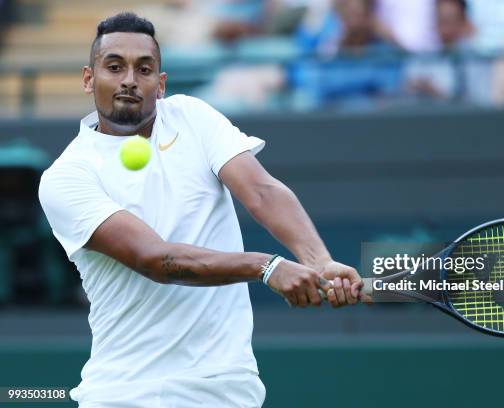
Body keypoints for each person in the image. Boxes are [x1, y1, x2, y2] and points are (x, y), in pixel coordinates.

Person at [38, 12, 364, 408]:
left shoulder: (193, 116)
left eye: (144, 69)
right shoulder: (66, 177)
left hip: (229, 389)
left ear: (160, 85)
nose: (128, 80)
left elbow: (261, 191)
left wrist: (319, 260)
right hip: (130, 395)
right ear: (89, 78)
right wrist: (267, 266)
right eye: (114, 66)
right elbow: (155, 259)